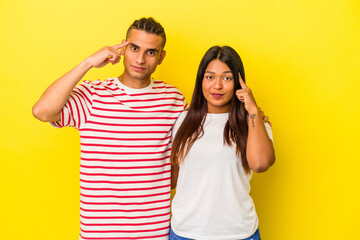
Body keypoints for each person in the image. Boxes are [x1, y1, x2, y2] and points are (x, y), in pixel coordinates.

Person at [32, 17, 187, 240]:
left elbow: (183, 158)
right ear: (123, 47)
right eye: (134, 48)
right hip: (99, 232)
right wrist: (87, 63)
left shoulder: (172, 99)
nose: (140, 59)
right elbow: (42, 111)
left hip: (153, 232)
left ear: (161, 57)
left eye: (150, 52)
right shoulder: (93, 95)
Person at [170, 46, 275, 240]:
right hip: (186, 232)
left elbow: (260, 164)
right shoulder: (181, 121)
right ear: (201, 80)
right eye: (210, 77)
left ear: (238, 82)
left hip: (239, 233)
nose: (217, 86)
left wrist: (252, 110)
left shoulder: (253, 122)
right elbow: (173, 178)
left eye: (227, 78)